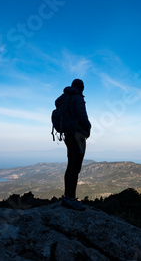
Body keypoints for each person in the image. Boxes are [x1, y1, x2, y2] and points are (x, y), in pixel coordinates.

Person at [56, 79, 91, 211]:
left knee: (70, 165)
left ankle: (67, 197)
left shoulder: (65, 98)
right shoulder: (77, 98)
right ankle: (71, 199)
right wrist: (89, 127)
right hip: (77, 136)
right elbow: (83, 117)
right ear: (81, 87)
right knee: (76, 167)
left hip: (68, 135)